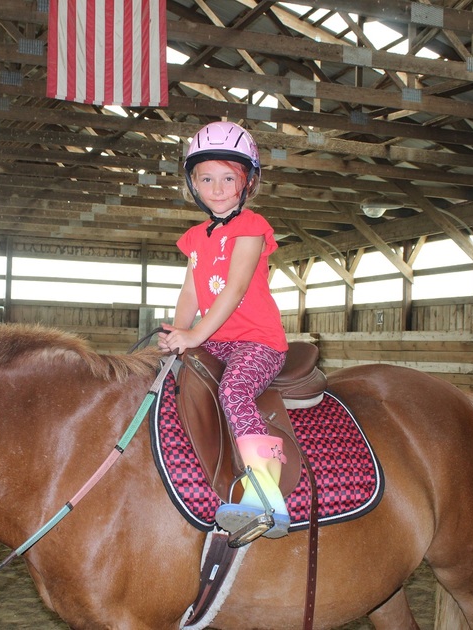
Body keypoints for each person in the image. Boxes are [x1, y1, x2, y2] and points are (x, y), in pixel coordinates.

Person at [158, 121, 291, 539]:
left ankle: (268, 495)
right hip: (216, 340)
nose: (217, 188)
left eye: (228, 178)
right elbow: (189, 293)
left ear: (247, 183)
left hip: (257, 341)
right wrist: (178, 333)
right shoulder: (195, 237)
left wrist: (195, 336)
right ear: (193, 184)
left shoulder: (251, 227)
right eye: (207, 178)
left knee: (234, 391)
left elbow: (232, 291)